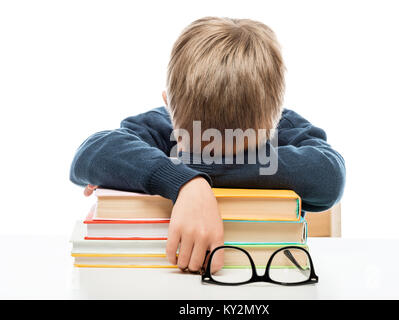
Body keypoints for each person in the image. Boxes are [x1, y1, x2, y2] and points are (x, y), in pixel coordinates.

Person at [70, 17, 345, 273]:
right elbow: (89, 153)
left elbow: (329, 175)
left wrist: (187, 174)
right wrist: (186, 182)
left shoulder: (287, 129)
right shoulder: (158, 127)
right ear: (274, 118)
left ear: (168, 103)